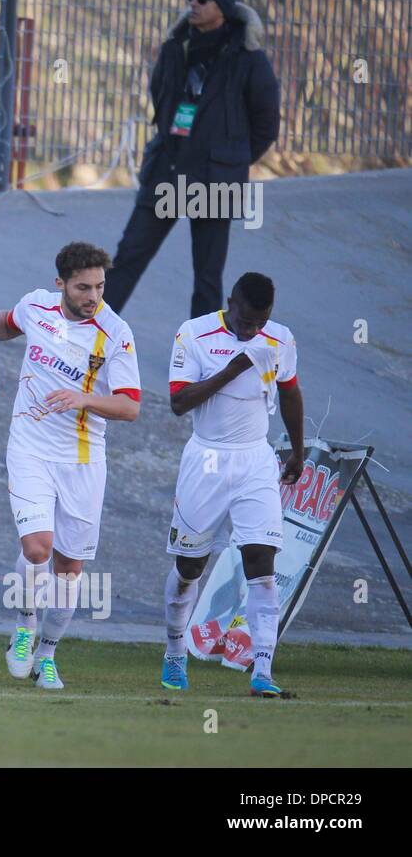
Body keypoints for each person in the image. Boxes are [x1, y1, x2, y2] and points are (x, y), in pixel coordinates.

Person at [0, 243, 140, 690]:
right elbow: (10, 323)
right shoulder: (37, 305)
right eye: (83, 287)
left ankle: (48, 654)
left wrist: (84, 398)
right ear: (61, 284)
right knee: (38, 548)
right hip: (30, 448)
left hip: (83, 460)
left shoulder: (115, 333)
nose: (93, 296)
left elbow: (130, 407)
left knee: (69, 567)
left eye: (99, 287)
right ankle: (24, 627)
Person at [161, 272, 304, 697]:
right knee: (190, 567)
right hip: (206, 459)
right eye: (245, 321)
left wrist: (297, 452)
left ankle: (263, 669)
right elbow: (178, 402)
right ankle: (175, 651)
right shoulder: (194, 333)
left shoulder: (280, 339)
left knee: (261, 562)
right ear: (230, 303)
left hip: (255, 459)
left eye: (260, 322)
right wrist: (236, 366)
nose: (252, 330)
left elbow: (290, 393)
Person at [103, 0, 280, 319]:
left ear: (222, 8)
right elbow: (160, 95)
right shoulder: (175, 48)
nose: (193, 4)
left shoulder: (247, 58)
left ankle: (201, 348)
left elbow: (266, 123)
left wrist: (231, 158)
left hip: (215, 179)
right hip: (168, 171)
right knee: (128, 257)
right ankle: (90, 335)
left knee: (207, 277)